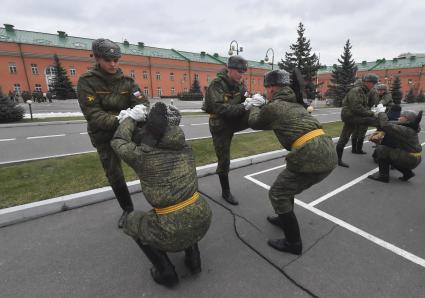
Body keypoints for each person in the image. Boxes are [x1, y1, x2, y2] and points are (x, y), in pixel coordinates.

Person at [111, 102, 212, 287]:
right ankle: (194, 259)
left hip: (173, 227)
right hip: (203, 216)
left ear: (152, 129)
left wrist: (130, 119)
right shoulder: (186, 149)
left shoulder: (142, 156)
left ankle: (166, 273)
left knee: (133, 220)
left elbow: (118, 142)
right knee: (182, 211)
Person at [247, 70, 337, 255]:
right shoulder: (295, 104)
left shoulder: (275, 107)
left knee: (278, 193)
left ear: (272, 88)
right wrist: (265, 104)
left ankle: (293, 243)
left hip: (310, 153)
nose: (267, 91)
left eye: (267, 88)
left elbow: (255, 123)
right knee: (287, 189)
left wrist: (254, 106)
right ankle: (283, 217)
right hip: (326, 149)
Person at [77, 38, 149, 228]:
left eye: (116, 60)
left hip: (128, 132)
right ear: (98, 58)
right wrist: (120, 118)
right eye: (108, 60)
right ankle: (128, 209)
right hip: (103, 136)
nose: (113, 64)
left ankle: (159, 202)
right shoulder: (87, 81)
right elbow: (93, 114)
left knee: (146, 163)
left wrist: (137, 112)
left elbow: (143, 103)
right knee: (114, 173)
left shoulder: (127, 81)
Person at [203, 55, 250, 205]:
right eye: (239, 71)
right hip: (219, 124)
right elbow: (220, 108)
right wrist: (244, 106)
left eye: (243, 72)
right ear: (230, 69)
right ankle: (226, 192)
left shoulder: (240, 84)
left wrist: (253, 101)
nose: (241, 75)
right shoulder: (217, 84)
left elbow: (244, 98)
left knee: (257, 113)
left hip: (233, 119)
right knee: (224, 160)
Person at [336, 73, 379, 167]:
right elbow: (356, 107)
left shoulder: (364, 91)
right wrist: (371, 113)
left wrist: (371, 111)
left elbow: (363, 105)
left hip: (354, 116)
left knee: (345, 137)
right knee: (376, 121)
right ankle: (338, 160)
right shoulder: (357, 91)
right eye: (373, 83)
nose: (374, 85)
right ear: (367, 82)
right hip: (351, 117)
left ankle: (338, 160)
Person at [368, 110, 422, 183]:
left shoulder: (405, 129)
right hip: (412, 157)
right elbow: (390, 123)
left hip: (409, 158)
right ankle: (408, 173)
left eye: (402, 116)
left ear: (407, 119)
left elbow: (386, 125)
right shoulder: (409, 126)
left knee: (382, 149)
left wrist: (381, 112)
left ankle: (383, 176)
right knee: (392, 154)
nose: (399, 118)